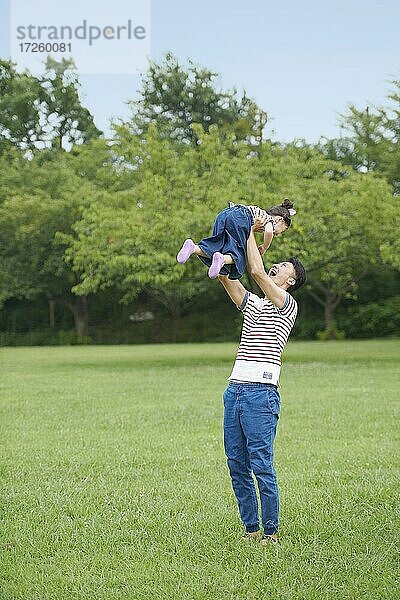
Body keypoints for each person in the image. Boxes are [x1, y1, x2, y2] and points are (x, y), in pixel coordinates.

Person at [218, 218, 306, 545]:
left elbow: (255, 271)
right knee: (237, 465)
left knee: (261, 466)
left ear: (291, 280)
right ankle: (251, 529)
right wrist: (218, 252)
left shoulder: (287, 305)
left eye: (282, 267)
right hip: (235, 391)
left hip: (261, 396)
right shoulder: (255, 304)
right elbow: (229, 281)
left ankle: (270, 532)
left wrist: (247, 228)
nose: (274, 268)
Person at [176, 199, 296, 279]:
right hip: (241, 218)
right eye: (283, 230)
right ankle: (222, 258)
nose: (279, 233)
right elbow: (269, 231)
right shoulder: (269, 219)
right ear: (280, 220)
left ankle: (193, 248)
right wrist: (264, 247)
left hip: (226, 213)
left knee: (218, 245)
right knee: (240, 256)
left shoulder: (259, 213)